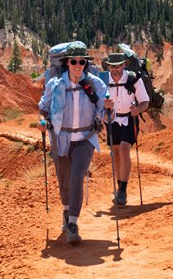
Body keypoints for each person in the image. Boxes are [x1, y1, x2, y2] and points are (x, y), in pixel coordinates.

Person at [37, 43, 107, 245]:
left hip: (85, 138)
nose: (78, 65)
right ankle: (66, 212)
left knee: (77, 176)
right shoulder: (55, 84)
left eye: (81, 61)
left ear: (86, 63)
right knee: (64, 180)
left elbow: (103, 107)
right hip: (60, 138)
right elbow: (43, 106)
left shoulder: (95, 85)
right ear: (67, 62)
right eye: (74, 61)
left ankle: (73, 223)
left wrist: (106, 111)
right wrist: (42, 121)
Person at [103, 52, 149, 206]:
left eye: (118, 66)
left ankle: (122, 190)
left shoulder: (134, 79)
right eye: (112, 66)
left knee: (123, 150)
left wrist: (138, 110)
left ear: (123, 65)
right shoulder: (103, 81)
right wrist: (104, 106)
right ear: (108, 66)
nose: (115, 69)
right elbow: (97, 100)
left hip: (130, 119)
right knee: (115, 153)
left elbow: (144, 101)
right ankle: (119, 187)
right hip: (112, 119)